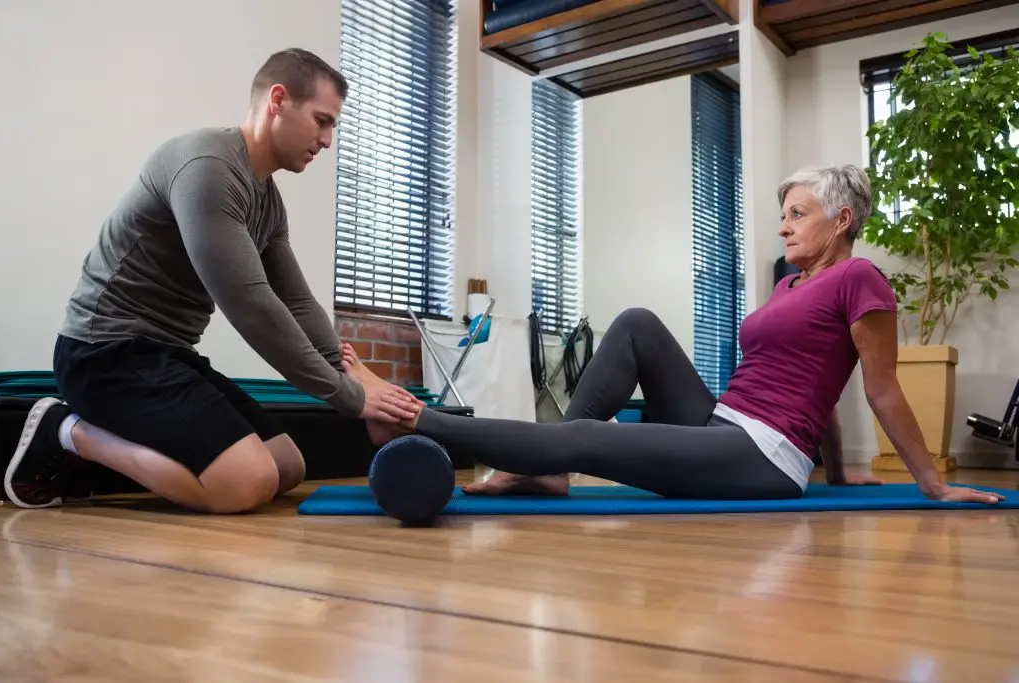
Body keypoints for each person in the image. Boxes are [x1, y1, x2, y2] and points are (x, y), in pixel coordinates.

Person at [365, 164, 1003, 505]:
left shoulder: (860, 278)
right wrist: (836, 472)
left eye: (797, 214)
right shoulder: (790, 286)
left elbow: (880, 387)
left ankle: (418, 419)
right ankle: (550, 468)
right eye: (782, 215)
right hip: (723, 421)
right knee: (637, 323)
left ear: (841, 220)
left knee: (592, 438)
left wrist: (931, 483)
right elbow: (817, 382)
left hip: (763, 454)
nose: (783, 226)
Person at [4, 48, 422, 513]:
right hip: (105, 353)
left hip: (168, 356)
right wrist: (349, 398)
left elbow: (297, 301)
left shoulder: (267, 202)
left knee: (286, 466)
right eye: (321, 121)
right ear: (278, 100)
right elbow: (251, 305)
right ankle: (65, 431)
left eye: (333, 127)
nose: (327, 140)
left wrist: (356, 376)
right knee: (244, 483)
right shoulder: (207, 166)